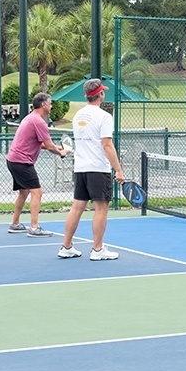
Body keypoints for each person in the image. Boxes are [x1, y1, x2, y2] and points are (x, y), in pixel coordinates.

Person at [59, 79, 126, 260]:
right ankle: (97, 250)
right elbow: (107, 145)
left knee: (76, 208)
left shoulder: (78, 116)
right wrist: (118, 170)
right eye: (103, 91)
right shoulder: (104, 116)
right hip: (98, 169)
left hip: (80, 168)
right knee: (101, 209)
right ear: (100, 95)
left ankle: (66, 246)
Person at [6, 92, 72, 237]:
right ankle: (34, 228)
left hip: (13, 160)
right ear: (43, 104)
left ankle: (15, 224)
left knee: (24, 192)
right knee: (37, 192)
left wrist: (58, 148)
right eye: (50, 103)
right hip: (21, 161)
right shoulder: (39, 121)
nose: (51, 106)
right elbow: (48, 146)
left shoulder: (30, 118)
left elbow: (38, 143)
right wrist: (61, 152)